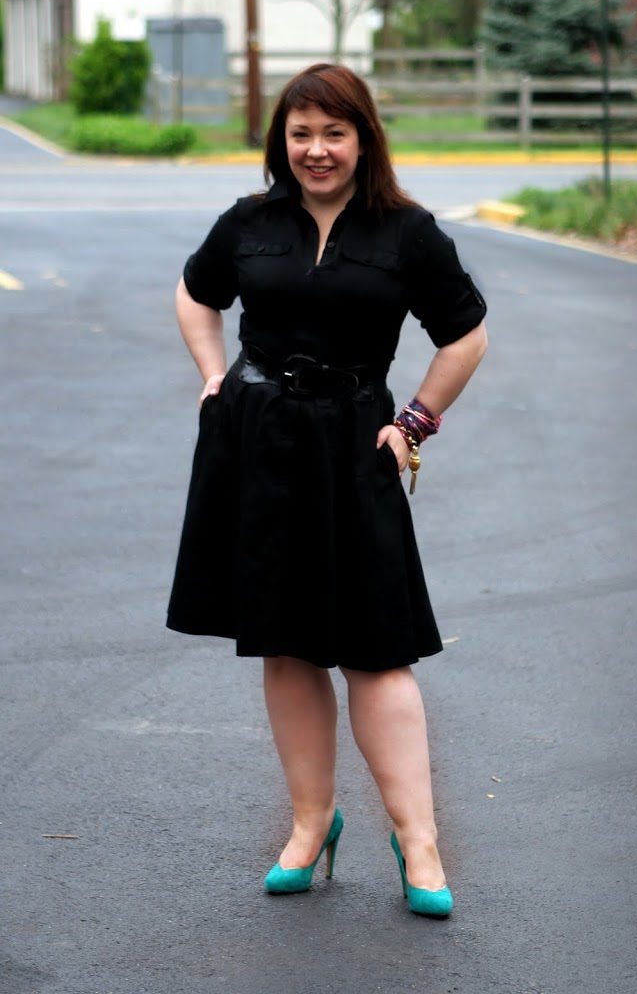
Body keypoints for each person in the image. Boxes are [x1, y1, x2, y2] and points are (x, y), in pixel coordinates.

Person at [166, 63, 488, 918]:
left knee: (376, 651)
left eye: (332, 133)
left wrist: (413, 423)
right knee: (285, 645)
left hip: (354, 447)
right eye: (301, 133)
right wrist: (211, 377)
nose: (315, 150)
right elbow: (196, 297)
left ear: (362, 139)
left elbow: (465, 336)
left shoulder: (407, 233)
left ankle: (417, 840)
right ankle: (311, 823)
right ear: (283, 139)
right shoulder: (248, 223)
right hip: (259, 443)